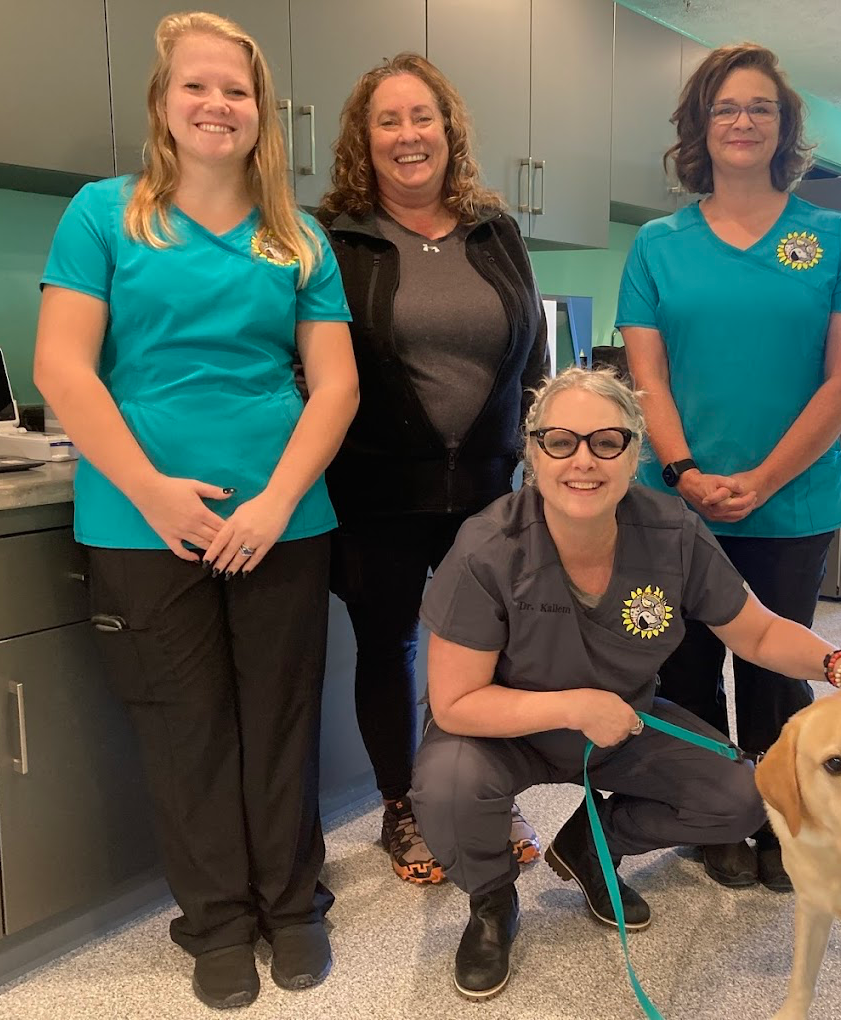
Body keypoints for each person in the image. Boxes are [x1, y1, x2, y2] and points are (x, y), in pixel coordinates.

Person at [408, 368, 841, 1000]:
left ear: (635, 451)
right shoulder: (488, 548)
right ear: (533, 450)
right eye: (560, 441)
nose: (583, 460)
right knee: (447, 786)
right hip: (505, 732)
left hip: (624, 725)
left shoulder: (671, 533)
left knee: (742, 797)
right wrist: (575, 705)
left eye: (607, 441)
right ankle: (492, 902)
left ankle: (592, 845)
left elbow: (758, 633)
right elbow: (457, 703)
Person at [33, 12, 358, 1009]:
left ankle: (291, 906)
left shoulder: (296, 237)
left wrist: (275, 502)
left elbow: (336, 386)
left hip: (281, 521)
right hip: (140, 521)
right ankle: (215, 921)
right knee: (187, 727)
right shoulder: (104, 215)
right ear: (163, 103)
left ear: (263, 113)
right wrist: (153, 492)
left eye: (237, 90)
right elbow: (62, 368)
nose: (218, 104)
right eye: (196, 86)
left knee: (281, 718)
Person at [617, 42, 841, 892]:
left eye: (760, 107)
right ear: (699, 125)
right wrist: (684, 472)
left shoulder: (834, 238)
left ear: (784, 126)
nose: (742, 121)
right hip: (675, 503)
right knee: (686, 669)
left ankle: (782, 820)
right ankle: (713, 818)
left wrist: (763, 479)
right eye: (725, 107)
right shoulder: (658, 245)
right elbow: (647, 379)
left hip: (792, 503)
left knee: (776, 674)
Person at [313, 54, 548, 886]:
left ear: (449, 130)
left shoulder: (495, 231)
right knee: (388, 646)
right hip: (376, 490)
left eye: (423, 117)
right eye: (388, 120)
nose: (408, 135)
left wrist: (539, 453)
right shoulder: (336, 237)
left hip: (487, 490)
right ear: (363, 138)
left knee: (486, 649)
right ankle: (402, 805)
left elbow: (531, 357)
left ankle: (483, 794)